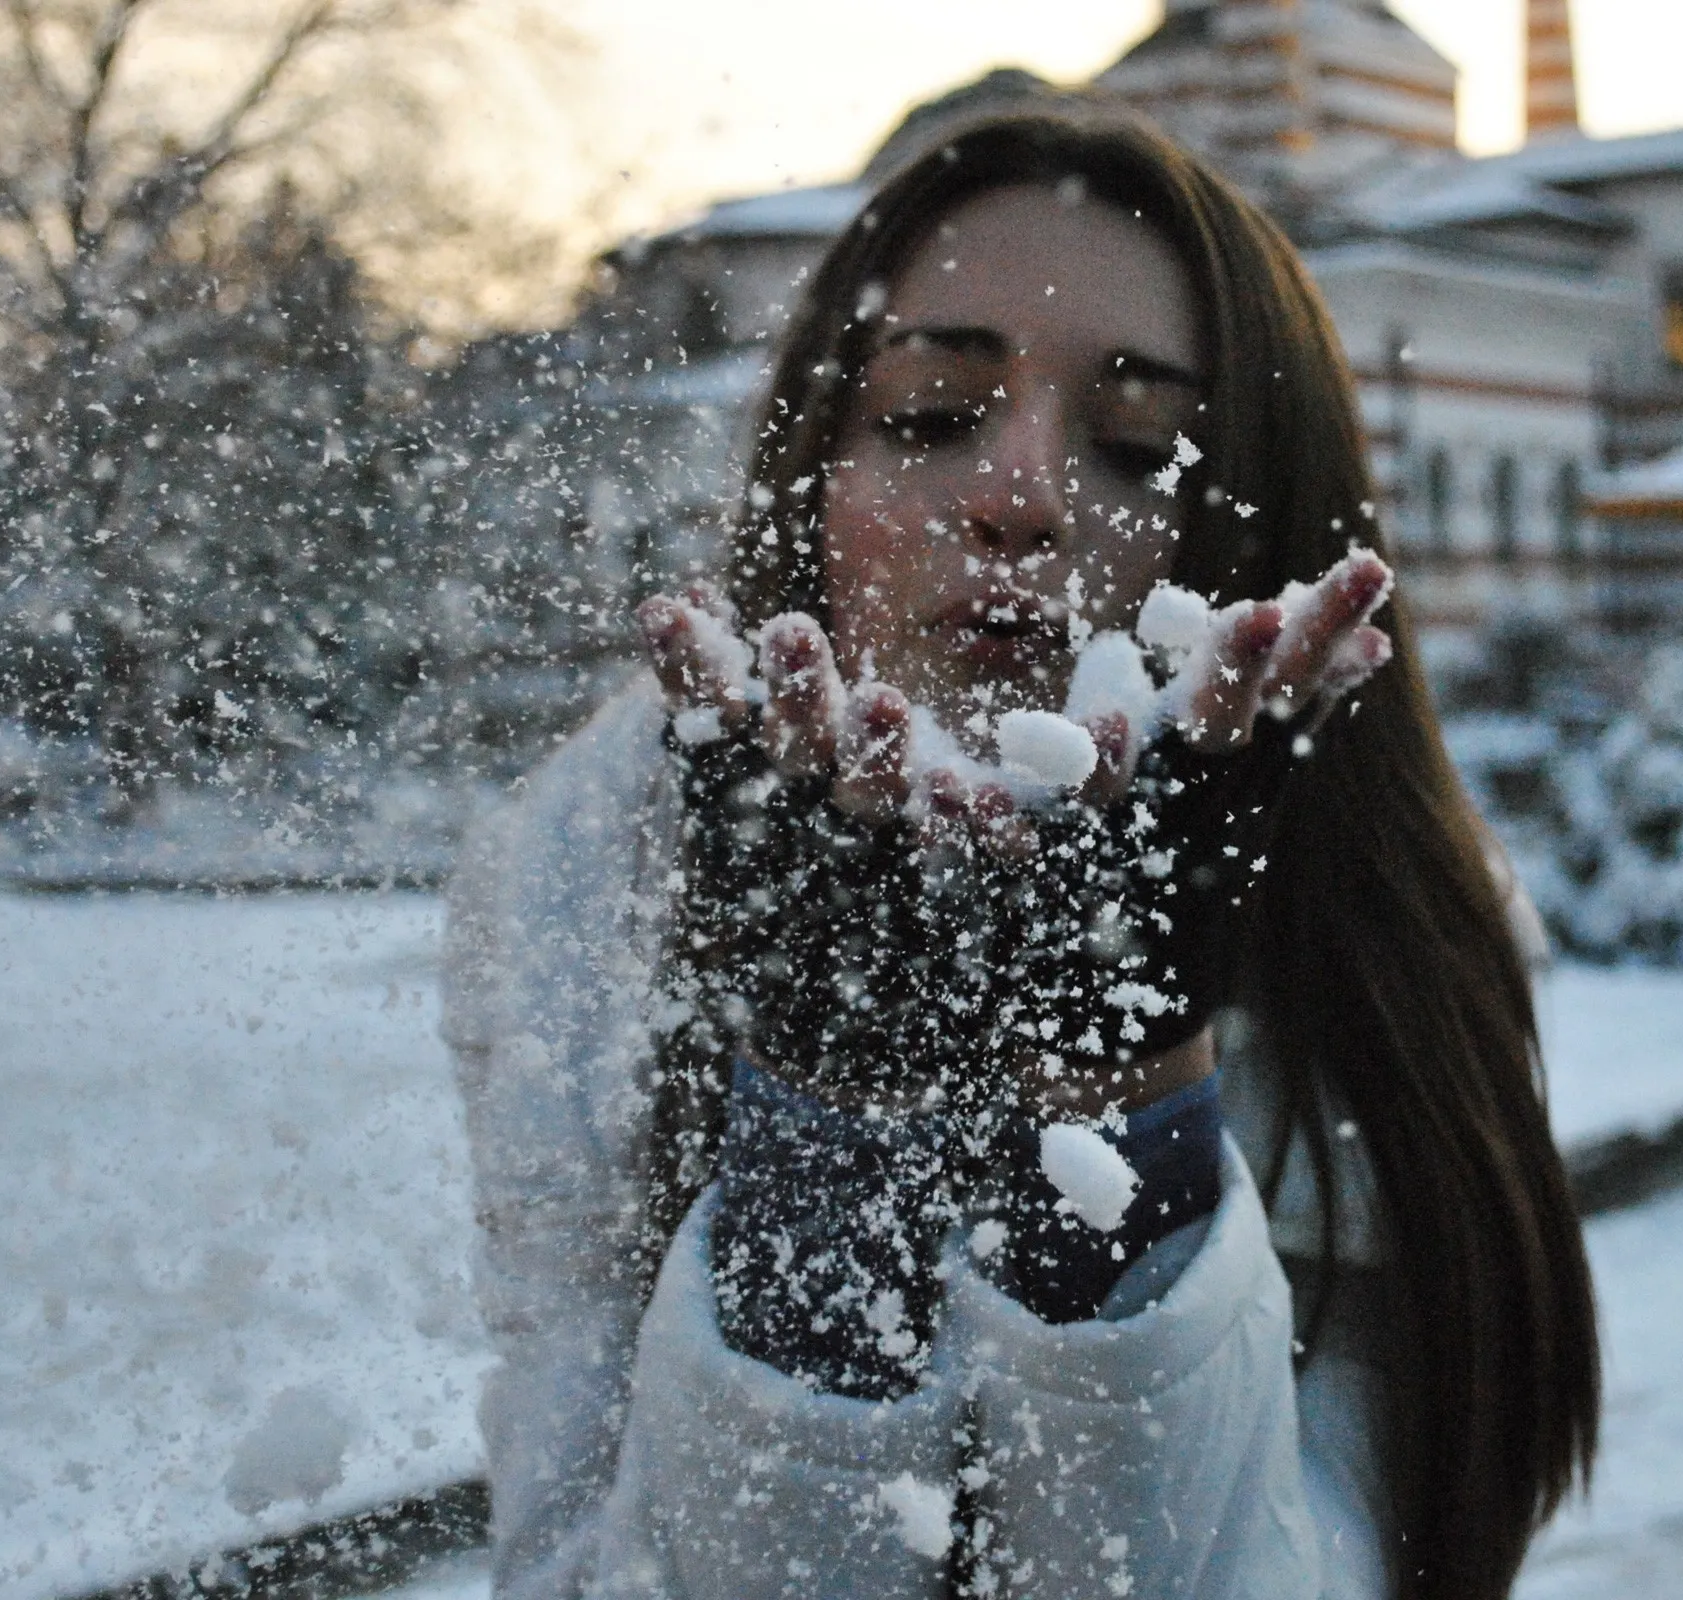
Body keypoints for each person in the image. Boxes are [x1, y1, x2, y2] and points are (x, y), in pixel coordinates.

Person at [443, 101, 1598, 1600]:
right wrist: (829, 1125)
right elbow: (577, 1573)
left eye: (1139, 446)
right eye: (929, 417)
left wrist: (1128, 1099)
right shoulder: (595, 890)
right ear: (812, 482)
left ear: (1258, 547)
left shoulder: (1384, 946)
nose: (1021, 497)